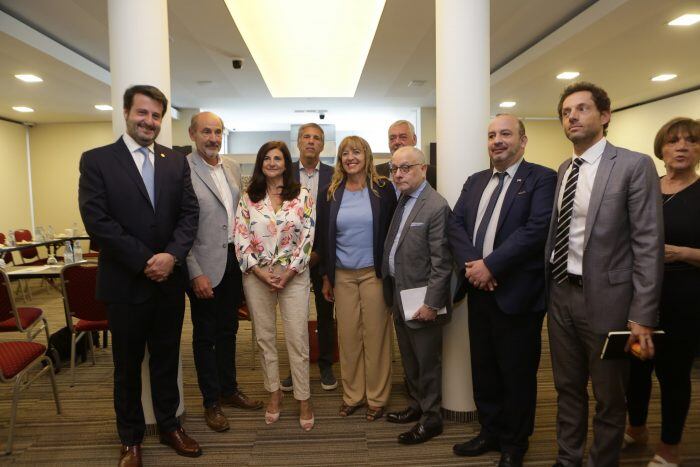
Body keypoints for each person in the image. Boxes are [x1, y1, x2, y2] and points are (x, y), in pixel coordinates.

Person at [78, 85, 201, 466]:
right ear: (127, 112)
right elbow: (97, 222)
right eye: (142, 113)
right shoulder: (97, 160)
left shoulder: (174, 161)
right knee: (127, 366)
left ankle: (170, 426)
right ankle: (130, 438)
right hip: (126, 284)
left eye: (156, 116)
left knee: (167, 359)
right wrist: (149, 260)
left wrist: (171, 257)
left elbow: (189, 214)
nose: (149, 121)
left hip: (168, 284)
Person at [545, 82, 664, 467]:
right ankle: (568, 459)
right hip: (562, 294)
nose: (572, 117)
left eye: (581, 109)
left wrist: (642, 315)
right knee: (566, 388)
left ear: (605, 116)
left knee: (610, 396)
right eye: (566, 112)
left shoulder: (633, 165)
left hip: (609, 302)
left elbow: (648, 242)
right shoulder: (565, 168)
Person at [449, 115, 556, 467]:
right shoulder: (475, 181)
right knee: (484, 368)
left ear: (522, 141)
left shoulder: (542, 178)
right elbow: (457, 225)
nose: (497, 140)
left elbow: (537, 228)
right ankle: (490, 431)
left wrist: (490, 266)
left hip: (518, 294)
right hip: (479, 291)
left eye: (505, 134)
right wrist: (473, 266)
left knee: (517, 372)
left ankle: (514, 442)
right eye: (492, 134)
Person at [624, 117, 700, 467]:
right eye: (673, 141)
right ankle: (636, 428)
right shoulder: (647, 186)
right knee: (636, 366)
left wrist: (681, 253)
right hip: (640, 294)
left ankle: (670, 447)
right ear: (662, 150)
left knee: (672, 374)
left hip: (682, 297)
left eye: (690, 141)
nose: (681, 147)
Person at [185, 111, 262, 433]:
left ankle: (229, 389)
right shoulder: (182, 170)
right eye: (206, 132)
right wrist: (194, 271)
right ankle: (211, 401)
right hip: (203, 265)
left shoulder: (231, 166)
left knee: (229, 330)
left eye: (217, 132)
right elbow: (181, 225)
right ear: (193, 134)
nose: (213, 138)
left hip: (232, 261)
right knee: (206, 336)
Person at [234, 141, 316, 431]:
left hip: (294, 275)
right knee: (265, 338)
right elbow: (240, 238)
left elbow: (308, 237)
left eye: (277, 158)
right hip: (257, 275)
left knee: (297, 339)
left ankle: (303, 399)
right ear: (260, 163)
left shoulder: (302, 195)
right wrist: (258, 272)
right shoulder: (248, 197)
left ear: (286, 163)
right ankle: (275, 394)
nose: (272, 162)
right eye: (266, 158)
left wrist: (290, 272)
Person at [316, 136, 396, 421]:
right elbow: (324, 238)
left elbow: (393, 231)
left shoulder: (383, 189)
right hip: (343, 275)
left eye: (356, 152)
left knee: (376, 337)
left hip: (373, 274)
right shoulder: (330, 192)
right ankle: (353, 396)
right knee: (348, 338)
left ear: (367, 156)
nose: (351, 157)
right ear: (340, 159)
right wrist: (327, 277)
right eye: (345, 153)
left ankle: (376, 397)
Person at [381, 146, 452, 444]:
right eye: (394, 169)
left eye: (406, 167)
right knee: (410, 360)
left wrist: (432, 303)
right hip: (399, 293)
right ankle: (417, 405)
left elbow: (443, 262)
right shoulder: (403, 200)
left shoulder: (435, 205)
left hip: (422, 300)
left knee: (427, 362)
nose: (398, 174)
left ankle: (432, 417)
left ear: (423, 169)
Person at [280, 123, 337, 393]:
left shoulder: (335, 175)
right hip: (292, 257)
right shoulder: (284, 172)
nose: (311, 142)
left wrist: (320, 256)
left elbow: (333, 220)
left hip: (324, 255)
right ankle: (295, 367)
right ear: (298, 142)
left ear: (322, 145)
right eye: (306, 137)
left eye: (316, 138)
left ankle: (326, 365)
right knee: (295, 315)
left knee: (326, 313)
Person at [376, 120, 437, 188]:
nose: (397, 142)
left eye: (403, 137)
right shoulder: (375, 172)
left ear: (414, 139)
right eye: (392, 138)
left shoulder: (434, 174)